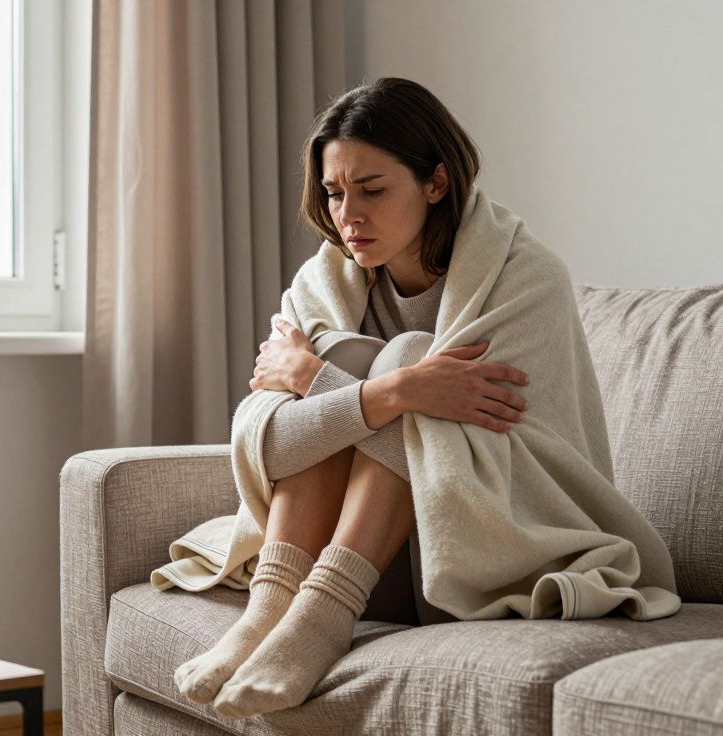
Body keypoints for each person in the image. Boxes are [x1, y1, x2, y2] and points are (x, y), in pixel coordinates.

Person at [175, 77, 532, 717]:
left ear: (437, 182)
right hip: (360, 559)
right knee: (374, 363)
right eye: (336, 193)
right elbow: (274, 444)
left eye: (372, 191)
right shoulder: (325, 280)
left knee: (403, 353)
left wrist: (325, 380)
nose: (348, 216)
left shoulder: (520, 278)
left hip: (472, 549)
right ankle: (270, 613)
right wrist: (396, 391)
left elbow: (521, 458)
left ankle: (320, 618)